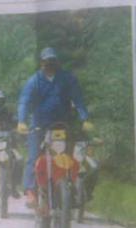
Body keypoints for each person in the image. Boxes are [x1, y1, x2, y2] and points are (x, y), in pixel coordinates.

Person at [16, 47, 93, 208]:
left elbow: (78, 99)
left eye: (53, 61)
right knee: (33, 156)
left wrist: (85, 118)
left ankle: (71, 187)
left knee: (69, 156)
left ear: (57, 62)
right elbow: (24, 101)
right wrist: (22, 121)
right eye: (46, 61)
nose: (50, 64)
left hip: (62, 125)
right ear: (42, 63)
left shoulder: (67, 79)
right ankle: (30, 191)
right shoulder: (34, 81)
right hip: (39, 126)